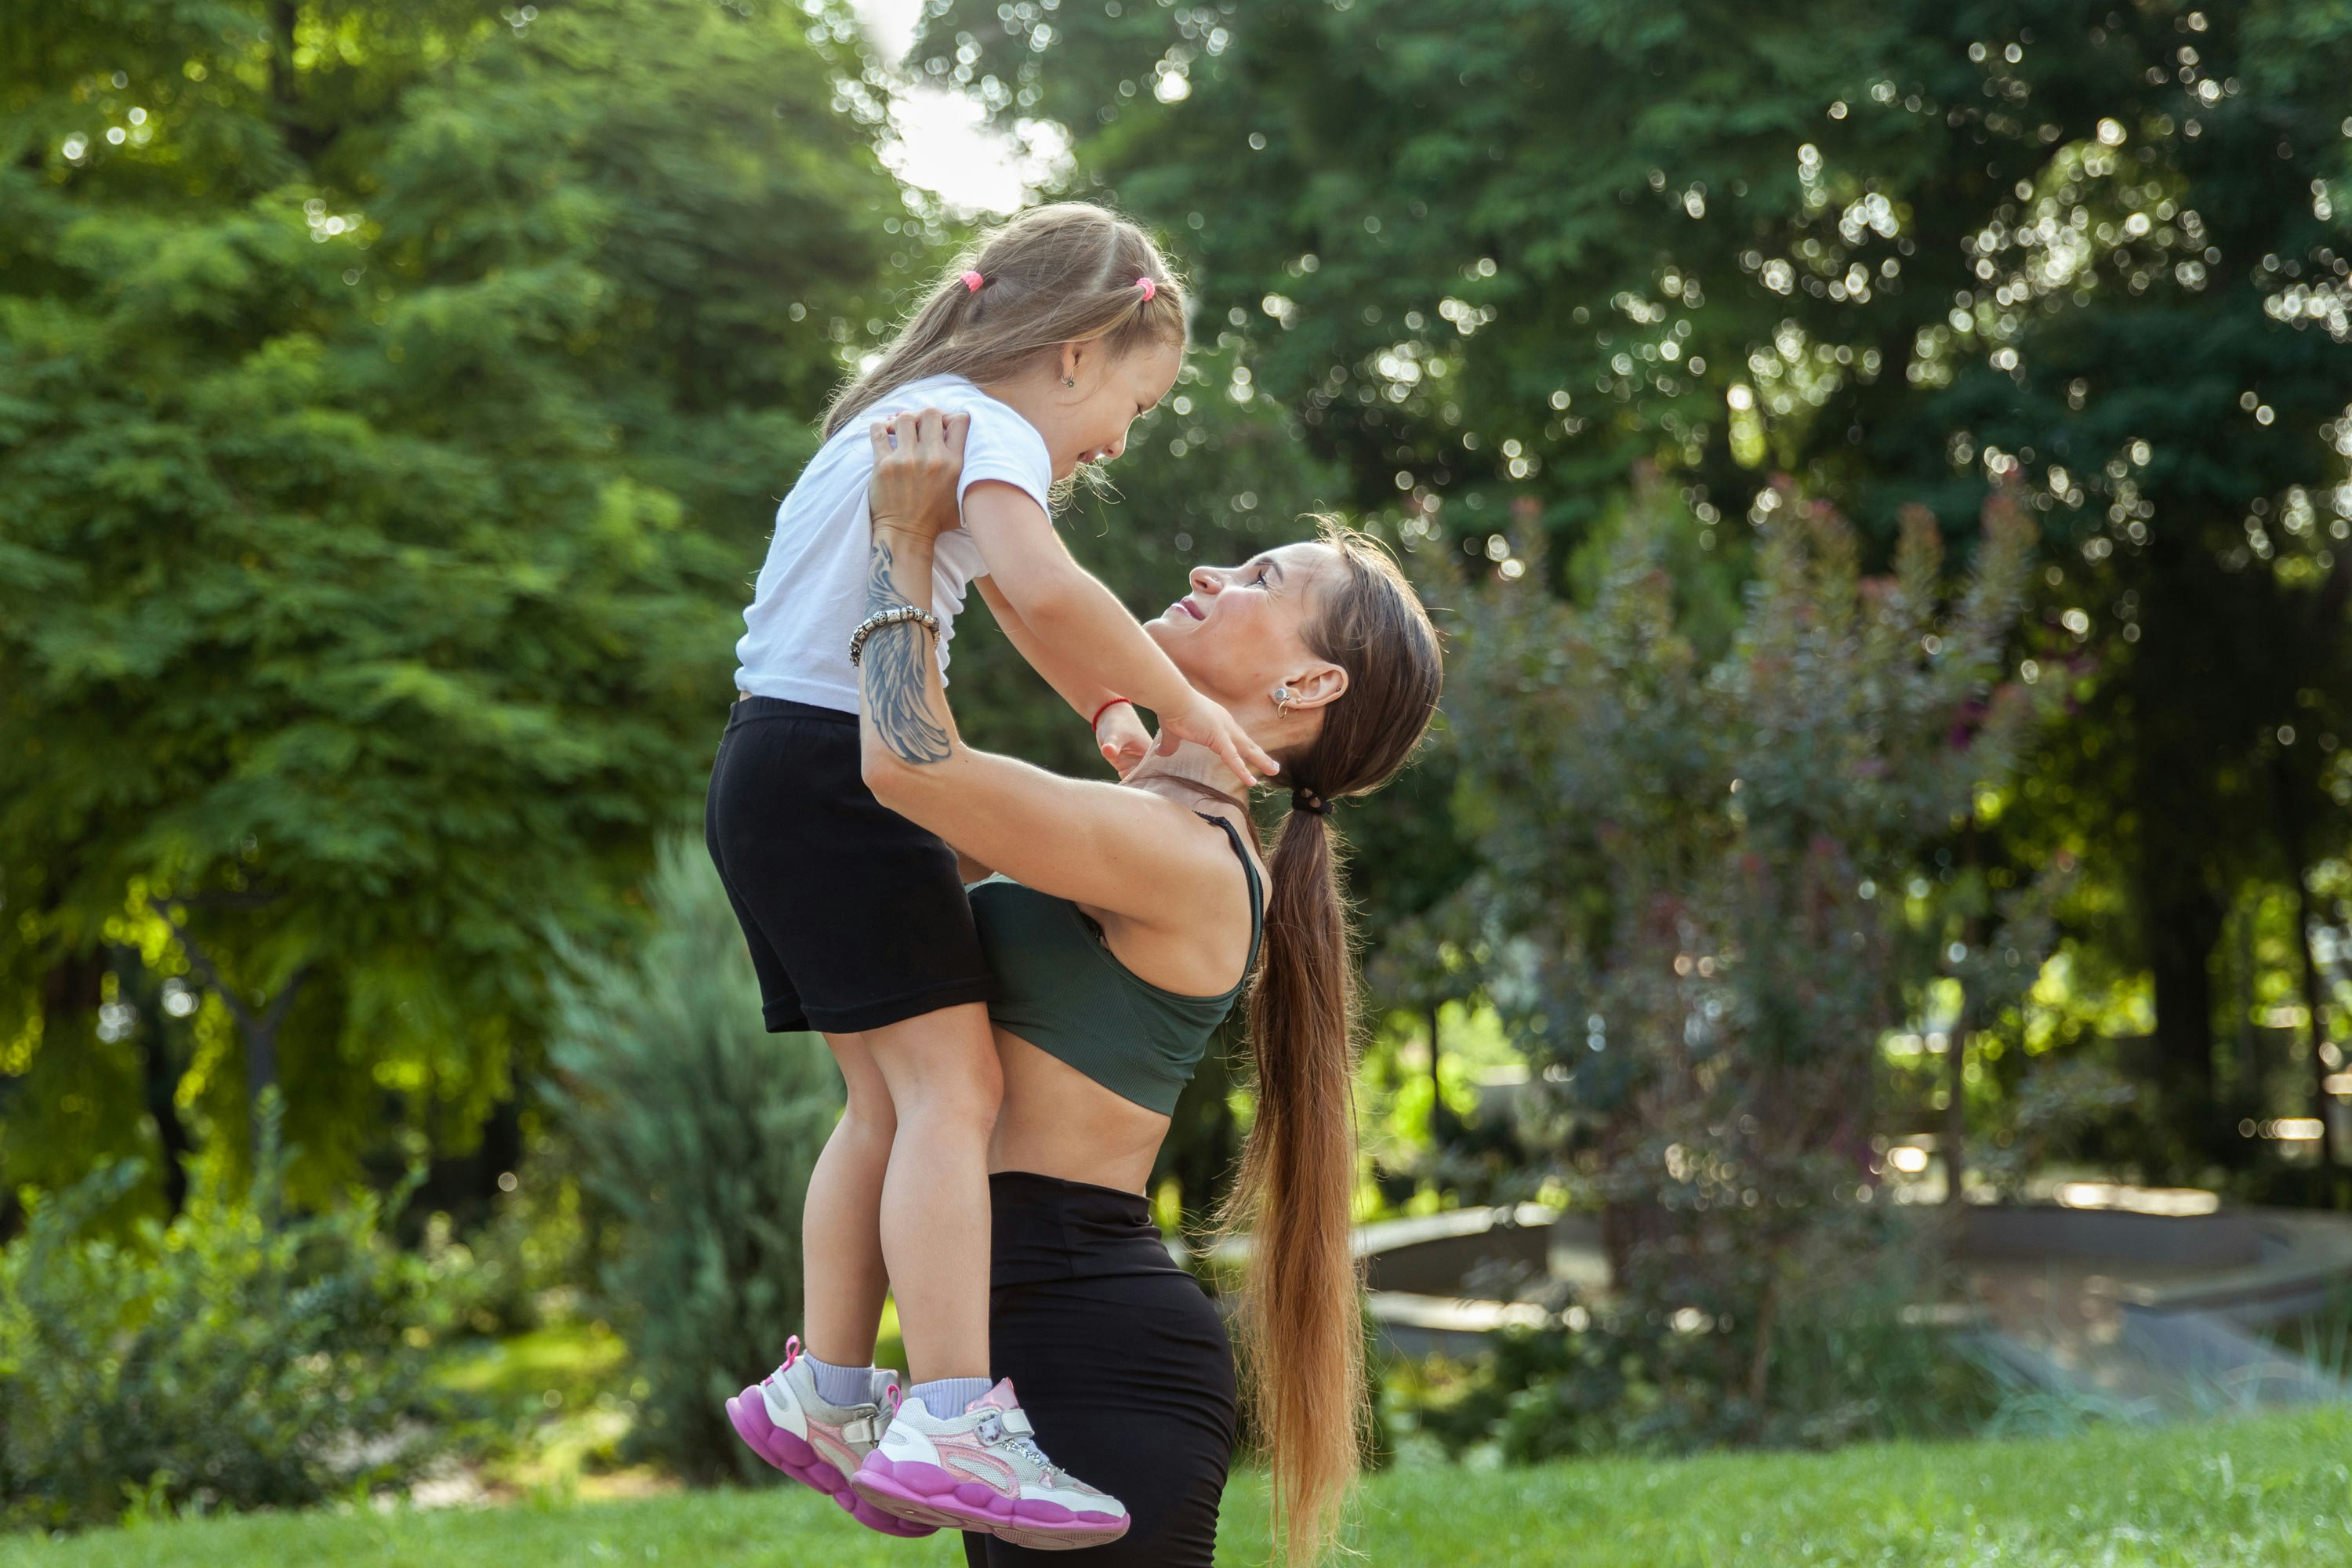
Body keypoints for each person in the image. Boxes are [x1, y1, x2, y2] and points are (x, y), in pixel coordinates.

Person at [712, 203, 1277, 1545]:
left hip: (770, 769)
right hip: (843, 774)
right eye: (1137, 402)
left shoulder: (915, 419)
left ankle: (832, 1393)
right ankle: (955, 1411)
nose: (1122, 443)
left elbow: (1024, 607)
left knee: (885, 1104)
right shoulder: (991, 428)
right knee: (949, 1092)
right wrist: (1183, 710)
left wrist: (1104, 712)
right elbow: (1050, 582)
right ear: (1079, 352)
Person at [843, 408, 1442, 1564]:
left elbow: (906, 762)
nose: (1212, 572)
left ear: (1311, 680)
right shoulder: (1149, 825)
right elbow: (894, 829)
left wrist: (902, 539)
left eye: (1262, 576)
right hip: (1029, 1325)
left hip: (1092, 1347)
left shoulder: (1186, 856)